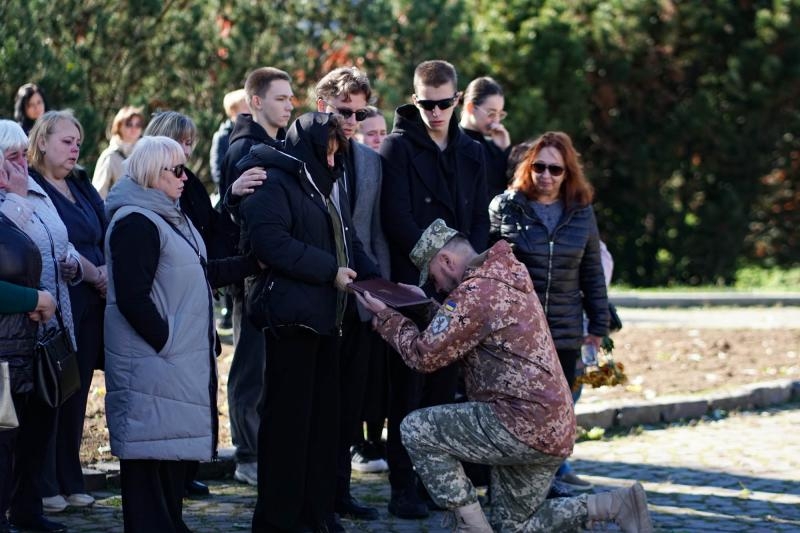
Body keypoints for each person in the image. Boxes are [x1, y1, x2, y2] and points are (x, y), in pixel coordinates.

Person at [356, 218, 653, 533]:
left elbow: (424, 355)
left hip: (518, 423)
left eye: (434, 277)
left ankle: (471, 527)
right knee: (513, 526)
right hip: (552, 426)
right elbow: (466, 326)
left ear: (446, 260)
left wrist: (387, 317)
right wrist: (425, 304)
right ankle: (614, 505)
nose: (438, 286)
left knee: (417, 428)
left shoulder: (476, 291)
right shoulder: (505, 274)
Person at [238, 112, 379, 532]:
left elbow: (347, 242)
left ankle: (315, 514)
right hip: (291, 324)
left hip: (326, 322)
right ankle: (280, 519)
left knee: (321, 426)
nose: (334, 162)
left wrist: (378, 284)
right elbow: (271, 243)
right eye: (328, 153)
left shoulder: (324, 188)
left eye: (338, 155)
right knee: (288, 429)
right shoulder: (272, 181)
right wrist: (330, 271)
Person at [104, 135, 250, 532]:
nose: (186, 178)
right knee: (149, 464)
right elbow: (133, 298)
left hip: (172, 363)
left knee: (167, 459)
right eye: (178, 170)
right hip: (153, 364)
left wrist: (252, 264)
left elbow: (200, 274)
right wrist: (166, 340)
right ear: (153, 173)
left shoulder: (170, 217)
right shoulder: (136, 221)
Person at [379, 59, 489, 519]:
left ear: (458, 100)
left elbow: (479, 218)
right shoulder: (396, 148)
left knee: (445, 390)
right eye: (426, 103)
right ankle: (403, 486)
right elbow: (396, 218)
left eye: (445, 103)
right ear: (414, 97)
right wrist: (438, 265)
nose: (436, 111)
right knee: (407, 390)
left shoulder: (473, 152)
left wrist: (469, 271)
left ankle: (434, 483)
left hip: (459, 287)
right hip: (414, 283)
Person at [143, 110, 261, 498]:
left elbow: (212, 227)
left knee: (197, 387)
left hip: (199, 293)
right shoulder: (149, 188)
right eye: (182, 141)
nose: (188, 150)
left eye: (191, 142)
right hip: (170, 301)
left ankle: (188, 466)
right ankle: (171, 473)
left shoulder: (188, 183)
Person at [489, 131, 610, 492]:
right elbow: (489, 270)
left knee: (558, 412)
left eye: (554, 169)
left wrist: (598, 325)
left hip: (564, 329)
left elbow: (592, 272)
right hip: (517, 332)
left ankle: (548, 479)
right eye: (538, 166)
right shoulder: (506, 206)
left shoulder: (581, 212)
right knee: (515, 412)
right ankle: (510, 485)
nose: (545, 175)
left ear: (567, 172)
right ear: (528, 167)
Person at [315, 67, 390, 522]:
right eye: (345, 111)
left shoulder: (371, 162)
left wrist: (379, 291)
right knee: (318, 407)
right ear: (323, 105)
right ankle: (317, 495)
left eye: (359, 113)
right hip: (318, 299)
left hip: (361, 303)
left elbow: (373, 232)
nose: (352, 121)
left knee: (349, 406)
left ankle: (340, 492)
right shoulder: (300, 153)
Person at [0, 118, 79, 533]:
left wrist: (74, 267)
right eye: (10, 157)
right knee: (5, 437)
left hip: (40, 335)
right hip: (6, 341)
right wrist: (33, 298)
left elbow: (53, 244)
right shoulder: (9, 202)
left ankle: (27, 510)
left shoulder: (34, 194)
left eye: (20, 155)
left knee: (34, 432)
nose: (21, 165)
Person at [27, 110, 108, 513]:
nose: (75, 147)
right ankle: (44, 483)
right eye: (66, 140)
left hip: (93, 303)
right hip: (61, 302)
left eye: (78, 141)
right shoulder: (31, 186)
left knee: (76, 395)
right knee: (52, 393)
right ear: (41, 142)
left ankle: (69, 476)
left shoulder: (80, 183)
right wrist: (93, 273)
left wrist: (106, 270)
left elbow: (102, 229)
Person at [220, 67, 294, 488]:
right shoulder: (245, 149)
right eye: (281, 98)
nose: (289, 105)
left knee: (268, 369)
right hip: (251, 275)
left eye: (290, 98)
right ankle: (247, 453)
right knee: (250, 367)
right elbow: (239, 220)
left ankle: (261, 449)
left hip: (275, 274)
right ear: (256, 102)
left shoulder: (277, 144)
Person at [459, 76, 511, 200]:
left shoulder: (494, 145)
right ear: (470, 108)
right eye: (491, 113)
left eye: (500, 114)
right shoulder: (452, 143)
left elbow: (512, 188)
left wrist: (505, 150)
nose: (496, 120)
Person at [91, 106, 144, 199]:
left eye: (138, 124)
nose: (134, 128)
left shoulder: (145, 155)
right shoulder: (109, 156)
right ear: (119, 126)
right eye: (129, 124)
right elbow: (99, 194)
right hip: (116, 211)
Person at [209, 89, 248, 192]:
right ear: (233, 111)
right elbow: (218, 172)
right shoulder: (221, 137)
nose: (250, 110)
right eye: (245, 107)